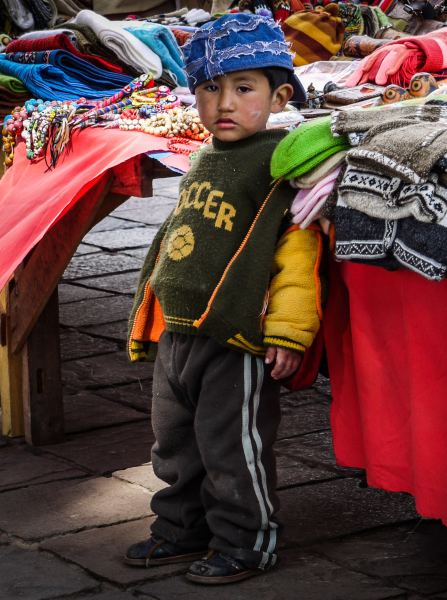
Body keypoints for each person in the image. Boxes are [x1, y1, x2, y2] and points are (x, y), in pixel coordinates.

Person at [123, 14, 324, 585]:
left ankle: (246, 540)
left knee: (232, 447)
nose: (224, 104)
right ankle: (182, 529)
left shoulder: (280, 162)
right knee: (175, 446)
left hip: (234, 335)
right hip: (177, 331)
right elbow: (176, 240)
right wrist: (148, 311)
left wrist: (289, 330)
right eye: (210, 88)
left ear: (279, 95)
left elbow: (297, 250)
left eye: (243, 88)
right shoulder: (206, 156)